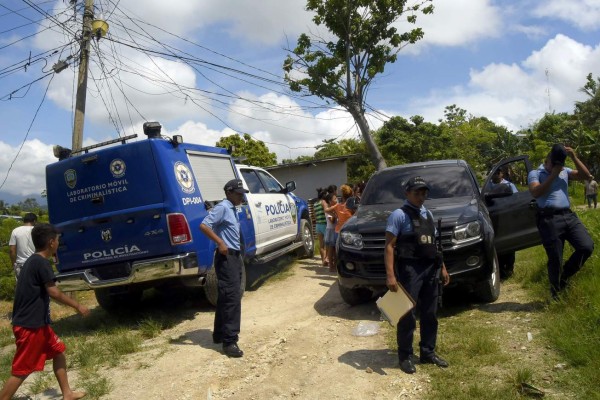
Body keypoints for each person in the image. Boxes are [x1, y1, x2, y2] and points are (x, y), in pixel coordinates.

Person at [0, 223, 90, 400]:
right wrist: (77, 306)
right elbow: (53, 292)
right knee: (22, 370)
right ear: (51, 242)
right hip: (30, 326)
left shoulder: (33, 261)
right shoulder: (41, 263)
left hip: (38, 324)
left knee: (58, 352)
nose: (58, 243)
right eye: (57, 240)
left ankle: (67, 394)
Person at [384, 176, 450, 374]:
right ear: (407, 193)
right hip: (410, 270)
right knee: (407, 314)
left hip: (431, 269)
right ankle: (405, 356)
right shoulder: (399, 215)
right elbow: (389, 246)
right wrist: (390, 276)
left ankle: (427, 352)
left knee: (430, 313)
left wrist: (443, 268)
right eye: (417, 193)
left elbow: (434, 245)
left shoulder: (428, 214)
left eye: (424, 193)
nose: (421, 196)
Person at [527, 144, 594, 299]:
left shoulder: (564, 170)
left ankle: (564, 276)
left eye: (559, 165)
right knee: (555, 257)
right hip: (549, 219)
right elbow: (535, 192)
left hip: (568, 216)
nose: (557, 167)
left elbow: (585, 176)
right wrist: (553, 175)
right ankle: (556, 293)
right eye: (554, 164)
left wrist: (574, 157)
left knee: (586, 247)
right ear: (548, 159)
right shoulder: (535, 173)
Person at [200, 178, 249, 358]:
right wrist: (220, 242)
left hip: (234, 257)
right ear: (229, 193)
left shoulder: (232, 209)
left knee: (226, 295)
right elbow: (204, 225)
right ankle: (230, 342)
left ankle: (219, 334)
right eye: (238, 194)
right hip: (225, 258)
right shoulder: (223, 207)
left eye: (242, 194)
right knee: (232, 298)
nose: (241, 197)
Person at [486, 169, 518, 279]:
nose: (495, 175)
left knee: (510, 242)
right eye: (493, 173)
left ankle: (509, 268)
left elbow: (516, 200)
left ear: (501, 173)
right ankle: (501, 270)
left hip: (507, 217)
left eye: (497, 173)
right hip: (494, 218)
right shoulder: (487, 186)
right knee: (497, 243)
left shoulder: (509, 185)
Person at [8, 212, 37, 279]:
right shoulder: (36, 230)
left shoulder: (15, 231)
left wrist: (14, 265)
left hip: (20, 265)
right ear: (34, 221)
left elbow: (12, 250)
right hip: (35, 263)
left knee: (22, 288)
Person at [323, 191, 338, 273]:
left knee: (334, 249)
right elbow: (332, 221)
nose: (336, 200)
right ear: (330, 201)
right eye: (335, 199)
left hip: (333, 230)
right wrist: (335, 214)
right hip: (330, 230)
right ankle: (331, 266)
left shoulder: (331, 208)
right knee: (331, 250)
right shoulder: (329, 210)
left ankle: (334, 265)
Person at [313, 188, 328, 266]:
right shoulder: (323, 202)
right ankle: (326, 259)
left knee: (321, 245)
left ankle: (323, 261)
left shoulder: (315, 204)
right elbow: (326, 212)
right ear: (324, 195)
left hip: (318, 225)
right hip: (324, 225)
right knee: (327, 244)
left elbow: (315, 216)